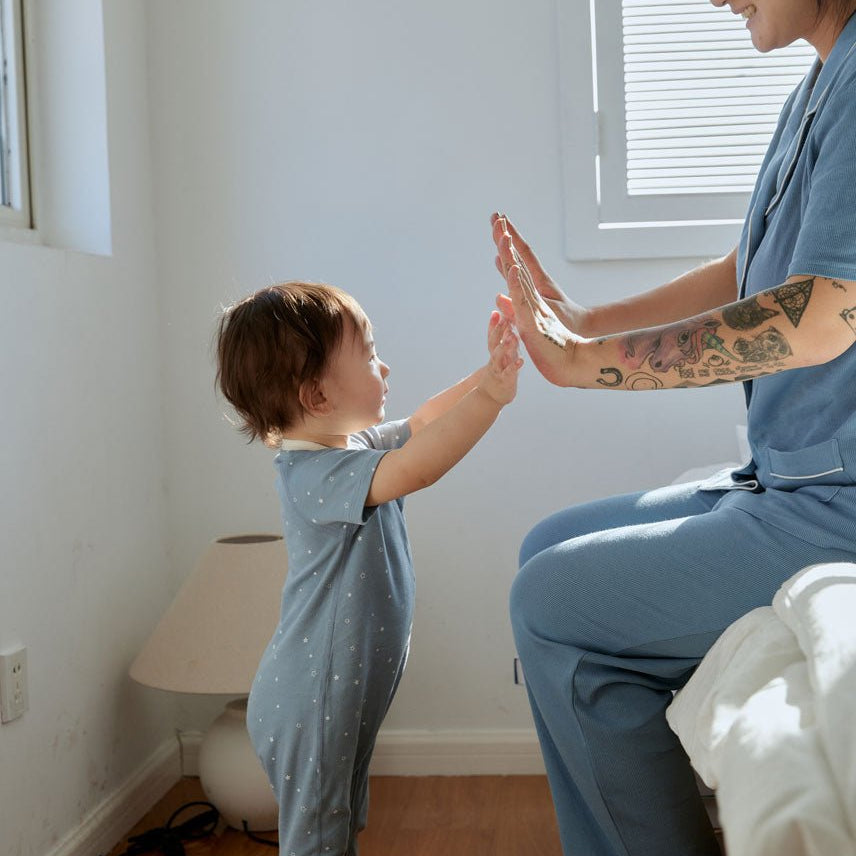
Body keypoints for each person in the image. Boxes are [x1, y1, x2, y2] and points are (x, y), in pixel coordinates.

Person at [491, 0, 856, 854]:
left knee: (547, 606)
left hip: (835, 503)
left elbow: (827, 312)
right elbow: (750, 268)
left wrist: (593, 366)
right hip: (789, 474)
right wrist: (584, 324)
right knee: (544, 546)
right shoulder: (818, 82)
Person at [215, 281, 521, 856]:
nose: (386, 367)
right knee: (318, 841)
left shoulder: (348, 446)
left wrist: (488, 372)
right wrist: (494, 398)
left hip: (337, 694)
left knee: (339, 826)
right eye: (370, 355)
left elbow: (426, 423)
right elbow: (417, 468)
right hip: (313, 700)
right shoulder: (316, 476)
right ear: (317, 396)